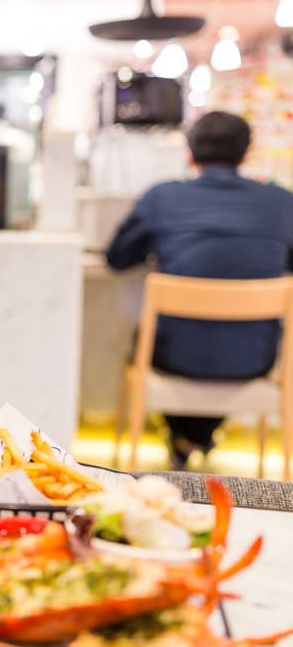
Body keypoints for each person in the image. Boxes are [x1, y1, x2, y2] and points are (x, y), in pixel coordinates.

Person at [106, 111, 293, 469]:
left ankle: (187, 440)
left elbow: (117, 258)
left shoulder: (162, 197)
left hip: (176, 358)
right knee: (222, 340)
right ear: (246, 154)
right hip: (254, 360)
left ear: (189, 154)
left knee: (167, 338)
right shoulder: (282, 202)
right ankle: (194, 440)